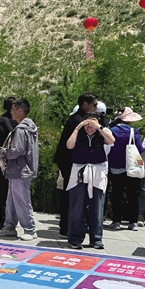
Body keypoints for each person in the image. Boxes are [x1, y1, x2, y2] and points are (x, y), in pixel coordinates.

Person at [65, 113, 116, 250]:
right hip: (79, 172)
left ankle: (96, 238)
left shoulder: (102, 133)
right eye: (87, 124)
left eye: (92, 124)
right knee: (77, 206)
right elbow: (69, 145)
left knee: (97, 207)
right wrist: (77, 128)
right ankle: (75, 238)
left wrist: (98, 127)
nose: (89, 127)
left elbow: (112, 140)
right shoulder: (78, 133)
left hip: (97, 172)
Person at [54, 93, 97, 236]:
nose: (95, 108)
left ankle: (67, 226)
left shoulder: (78, 118)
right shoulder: (78, 121)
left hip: (70, 162)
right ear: (85, 104)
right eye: (94, 105)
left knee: (71, 195)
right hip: (70, 163)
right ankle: (66, 227)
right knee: (72, 195)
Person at [0, 99, 38, 241]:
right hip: (20, 170)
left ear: (20, 110)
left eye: (13, 109)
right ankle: (9, 227)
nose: (11, 112)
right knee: (12, 200)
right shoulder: (30, 127)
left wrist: (4, 152)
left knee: (22, 200)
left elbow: (17, 151)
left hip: (20, 170)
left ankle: (29, 229)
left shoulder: (21, 130)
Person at [106, 107, 144, 231]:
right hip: (132, 168)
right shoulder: (133, 131)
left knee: (117, 195)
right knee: (133, 195)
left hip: (115, 167)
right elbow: (140, 149)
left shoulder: (111, 131)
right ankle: (133, 222)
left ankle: (116, 221)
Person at [0, 97, 17, 228]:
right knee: (16, 190)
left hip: (1, 158)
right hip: (17, 159)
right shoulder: (20, 123)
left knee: (2, 189)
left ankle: (4, 220)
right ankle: (15, 219)